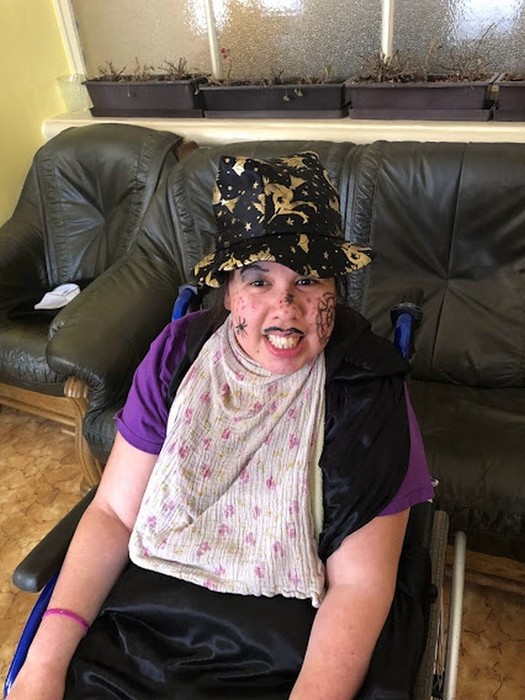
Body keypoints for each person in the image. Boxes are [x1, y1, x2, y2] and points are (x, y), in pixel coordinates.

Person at [8, 152, 434, 700]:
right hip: (141, 623)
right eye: (258, 281)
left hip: (287, 647)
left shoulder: (370, 390)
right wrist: (43, 665)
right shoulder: (177, 355)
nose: (285, 306)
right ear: (229, 292)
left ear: (337, 290)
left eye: (307, 279)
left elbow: (359, 585)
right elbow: (114, 513)